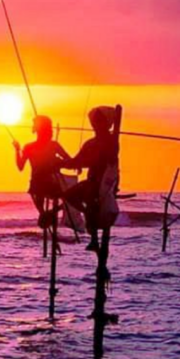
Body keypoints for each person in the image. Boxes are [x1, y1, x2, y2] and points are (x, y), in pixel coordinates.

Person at [62, 107, 119, 251]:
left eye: (100, 121)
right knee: (69, 195)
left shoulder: (112, 141)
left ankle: (94, 239)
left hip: (105, 182)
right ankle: (87, 213)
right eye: (95, 122)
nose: (96, 124)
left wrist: (79, 163)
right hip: (92, 180)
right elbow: (77, 160)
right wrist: (62, 163)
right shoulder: (90, 143)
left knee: (91, 198)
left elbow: (103, 160)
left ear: (107, 123)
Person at [14, 115, 70, 227]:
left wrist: (57, 162)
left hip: (45, 184)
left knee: (37, 192)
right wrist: (17, 150)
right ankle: (46, 214)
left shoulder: (49, 145)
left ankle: (45, 214)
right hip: (41, 184)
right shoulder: (49, 145)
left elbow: (68, 160)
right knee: (37, 191)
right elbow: (69, 161)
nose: (32, 126)